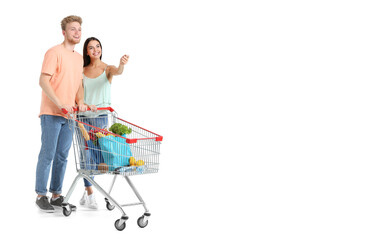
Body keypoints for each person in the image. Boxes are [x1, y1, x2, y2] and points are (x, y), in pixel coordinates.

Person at [35, 15, 88, 212]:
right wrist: (59, 104)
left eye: (79, 29)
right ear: (64, 32)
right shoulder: (54, 52)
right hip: (51, 113)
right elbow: (43, 81)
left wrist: (80, 101)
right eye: (73, 29)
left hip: (70, 116)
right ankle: (41, 195)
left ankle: (56, 195)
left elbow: (78, 84)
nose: (77, 32)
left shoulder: (78, 57)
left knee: (62, 156)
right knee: (48, 154)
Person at [78, 37, 129, 209]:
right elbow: (78, 93)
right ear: (87, 51)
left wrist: (121, 64)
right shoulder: (82, 70)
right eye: (91, 48)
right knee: (86, 156)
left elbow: (118, 71)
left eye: (97, 46)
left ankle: (88, 190)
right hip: (83, 118)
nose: (95, 50)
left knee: (101, 157)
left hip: (100, 118)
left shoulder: (107, 69)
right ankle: (90, 192)